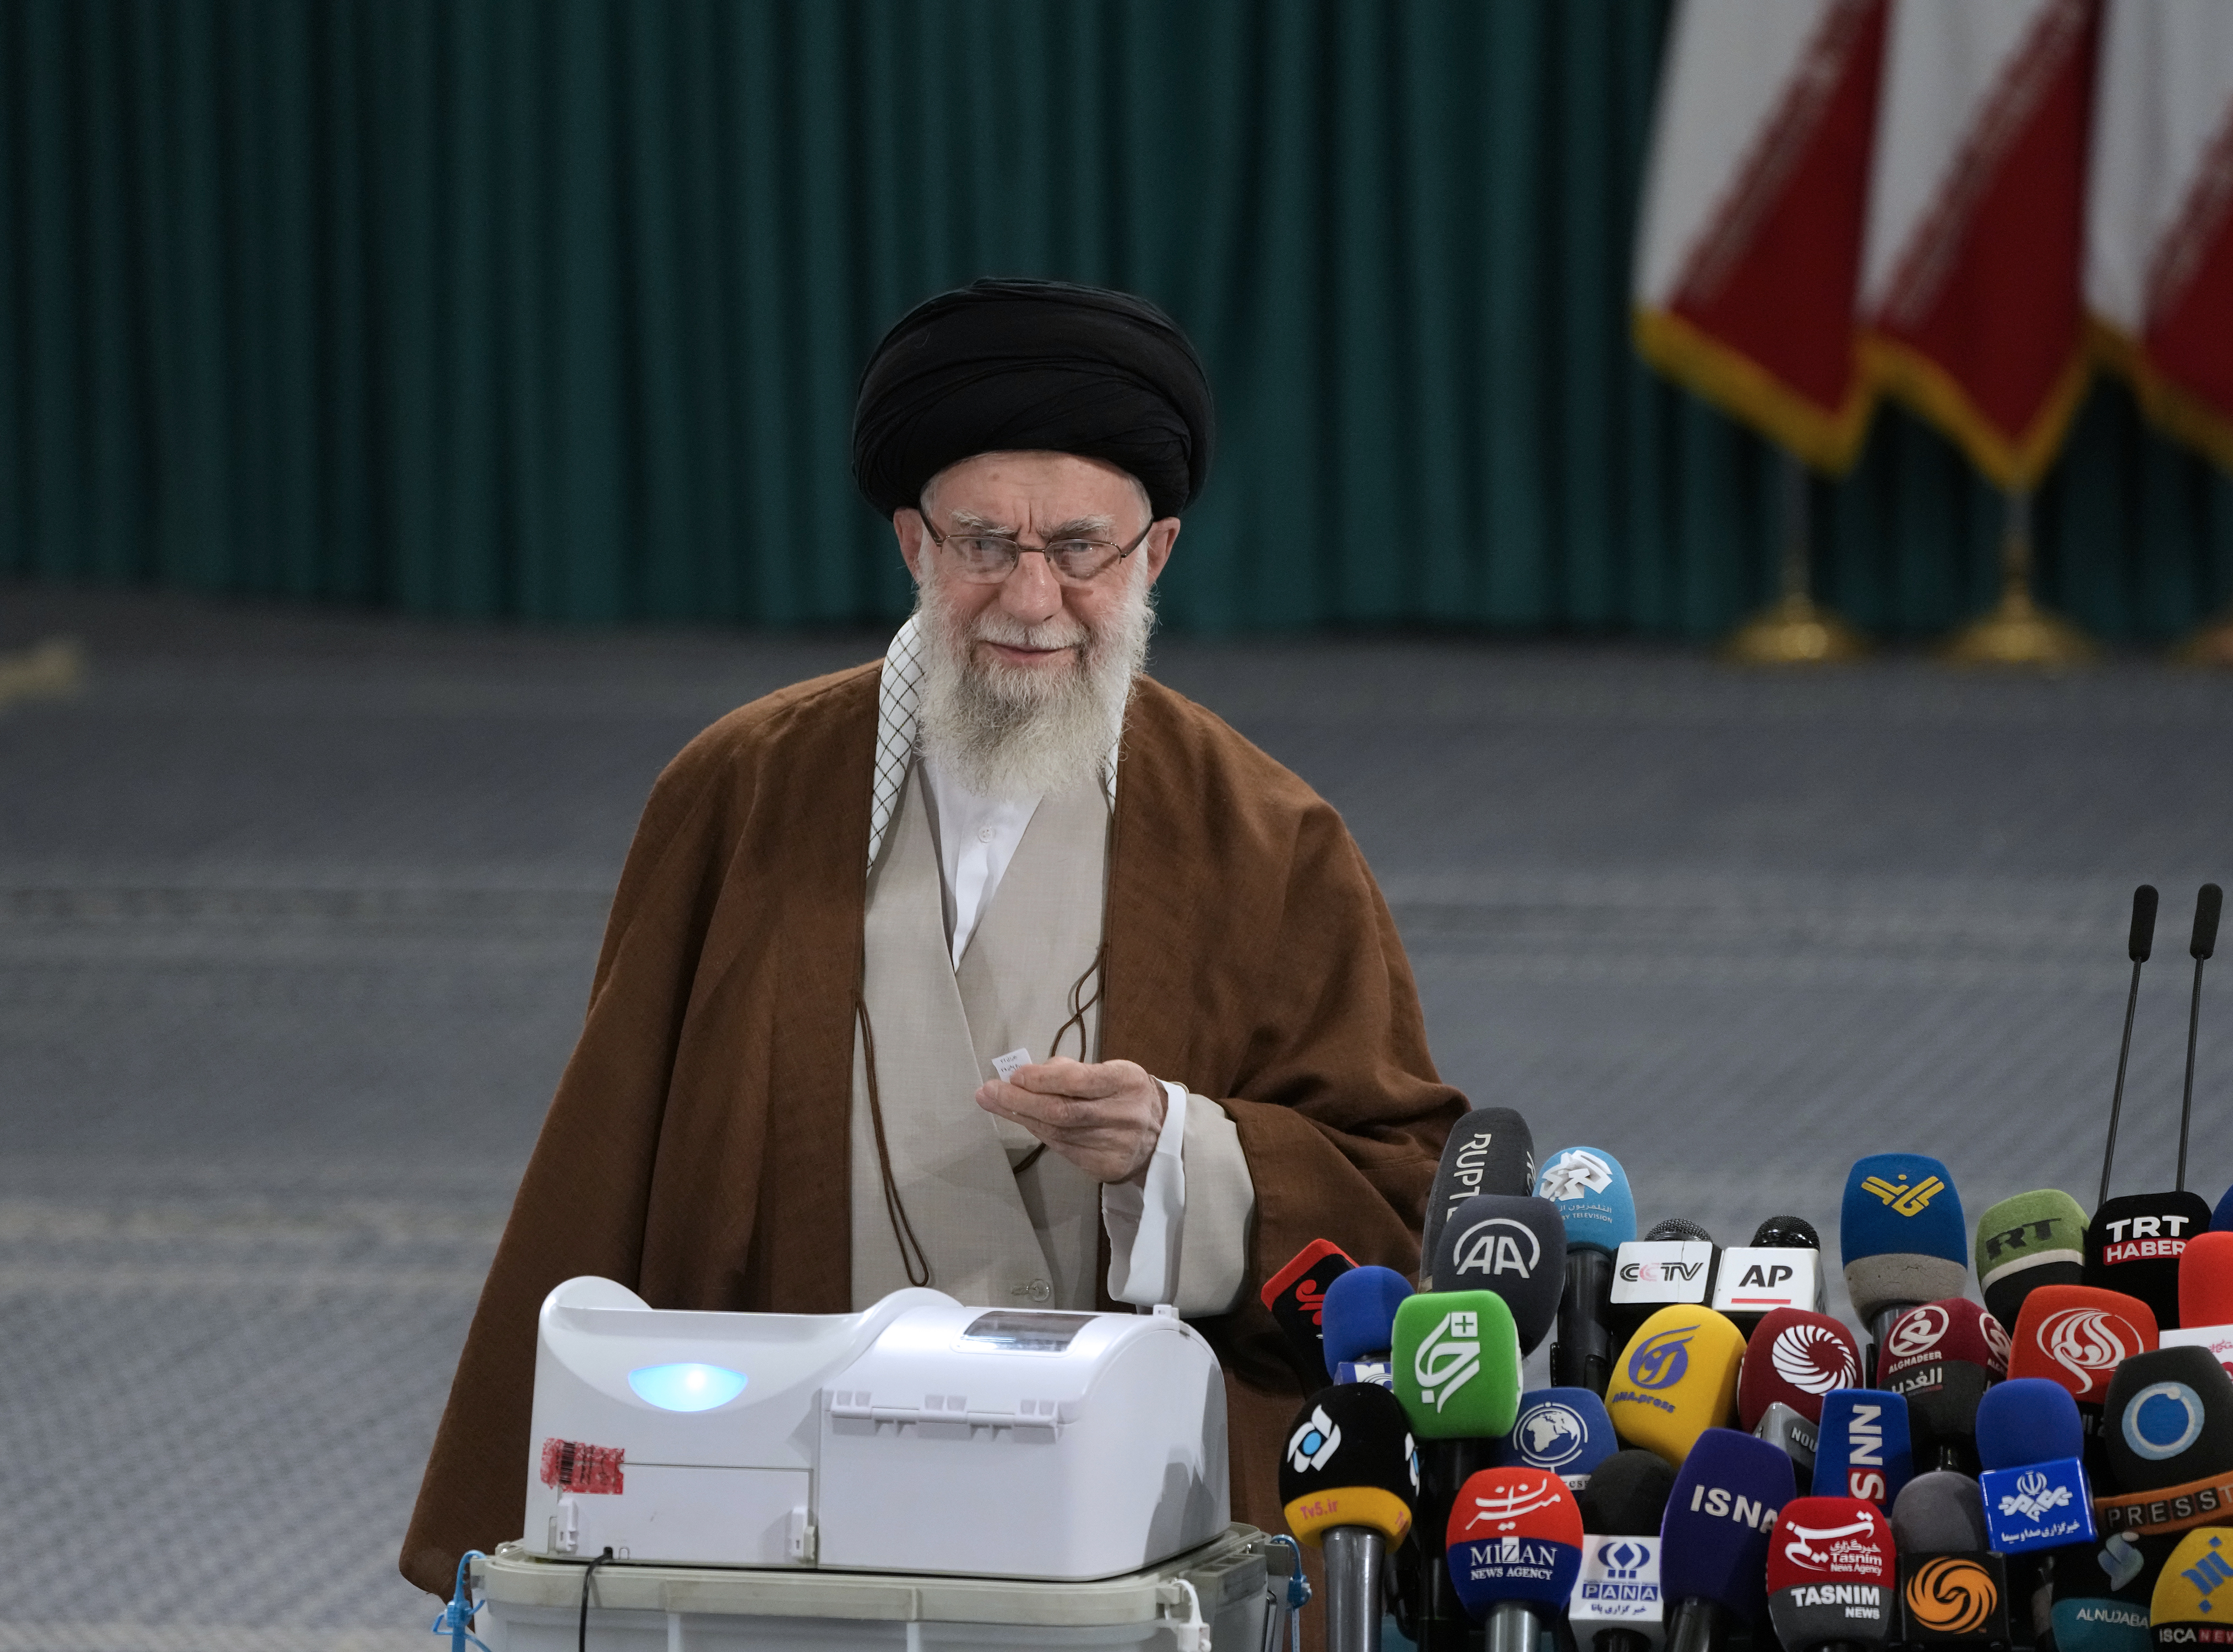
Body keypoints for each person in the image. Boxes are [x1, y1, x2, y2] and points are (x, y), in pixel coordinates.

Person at [400, 277, 1467, 1596]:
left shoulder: (1267, 838)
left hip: (1123, 1554)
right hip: (784, 1517)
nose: (1033, 597)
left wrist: (1183, 1156)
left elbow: (1402, 1204)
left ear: (1158, 555)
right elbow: (610, 1165)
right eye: (985, 546)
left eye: (1080, 548)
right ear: (914, 543)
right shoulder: (740, 793)